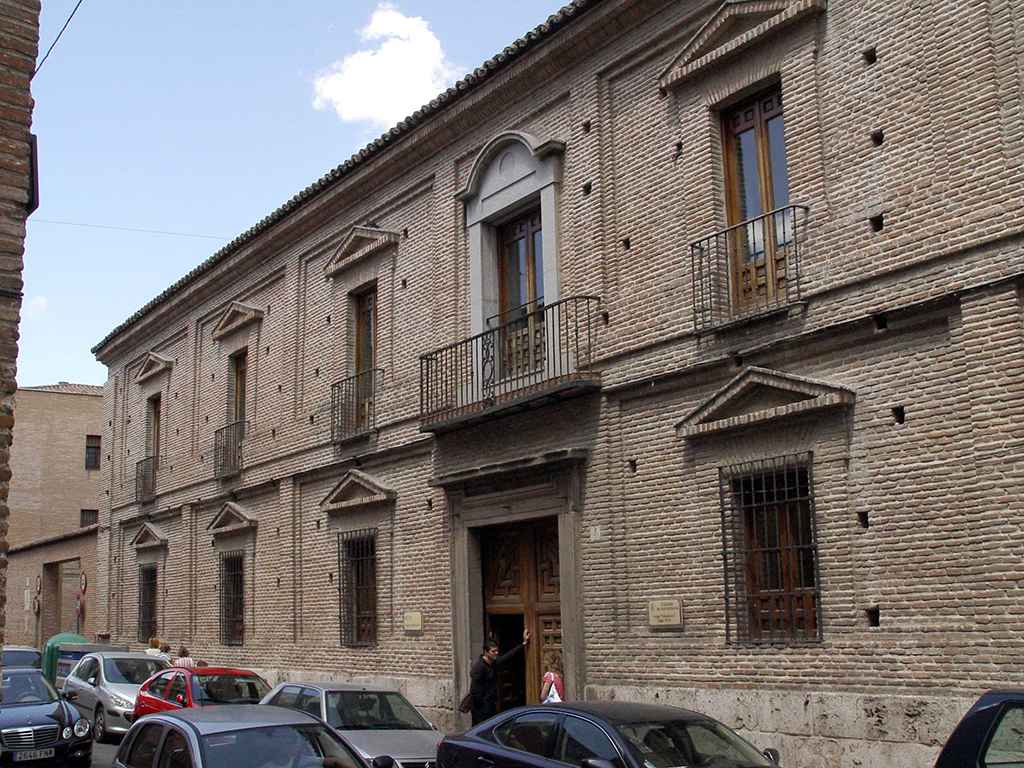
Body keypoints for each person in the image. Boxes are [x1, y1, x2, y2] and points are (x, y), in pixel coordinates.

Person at [469, 628, 530, 725]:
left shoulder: (493, 663)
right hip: (481, 710)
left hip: (491, 705)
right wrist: (482, 708)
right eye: (493, 651)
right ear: (486, 652)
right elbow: (475, 692)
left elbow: (507, 656)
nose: (496, 653)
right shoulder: (479, 668)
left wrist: (523, 644)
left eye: (497, 651)